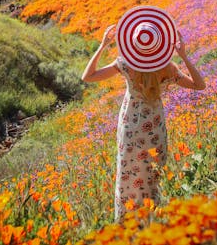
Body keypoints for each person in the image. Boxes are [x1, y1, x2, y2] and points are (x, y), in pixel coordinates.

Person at [81, 19, 205, 221]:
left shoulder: (126, 64)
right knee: (152, 173)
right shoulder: (168, 68)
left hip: (130, 124)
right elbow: (199, 85)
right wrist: (183, 55)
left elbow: (88, 76)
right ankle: (153, 220)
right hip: (154, 127)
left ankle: (127, 221)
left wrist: (103, 45)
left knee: (129, 173)